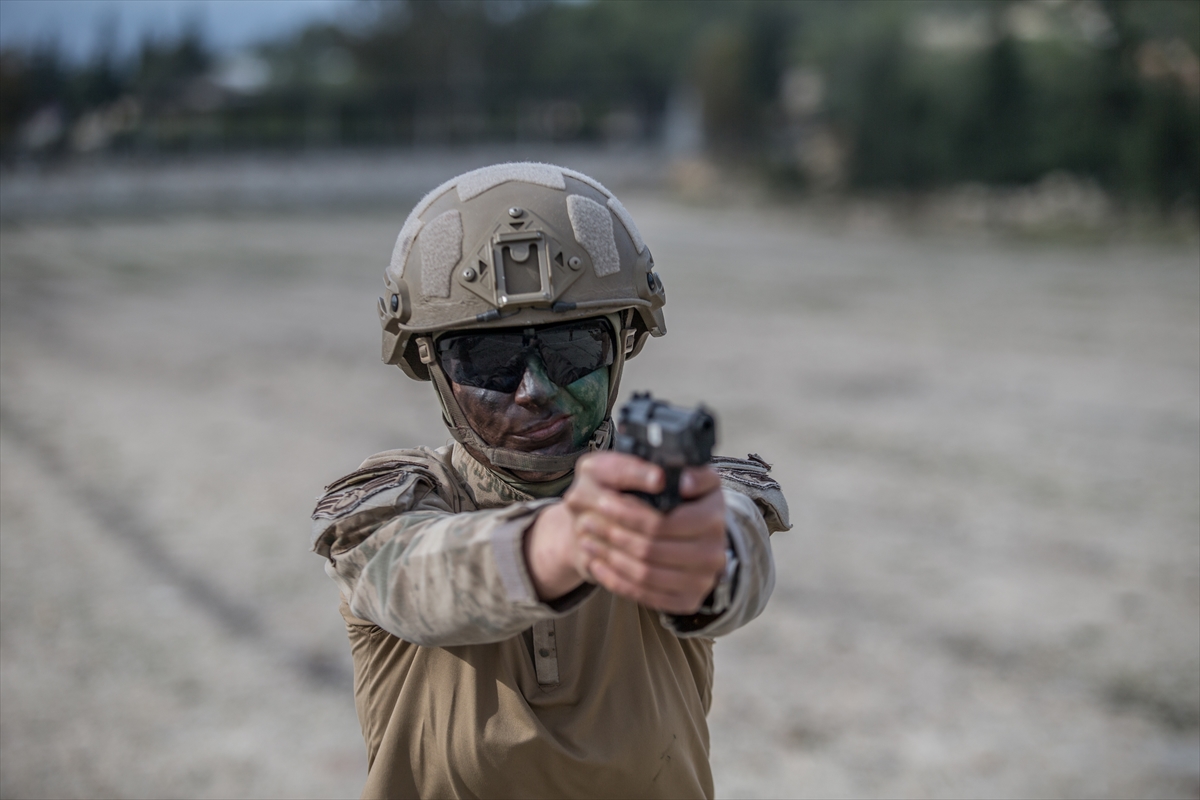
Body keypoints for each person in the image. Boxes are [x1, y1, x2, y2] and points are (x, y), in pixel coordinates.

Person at [311, 162, 790, 799]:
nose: (535, 389)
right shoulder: (393, 502)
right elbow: (409, 576)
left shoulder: (680, 490)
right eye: (490, 358)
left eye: (570, 351)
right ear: (431, 364)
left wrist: (705, 555)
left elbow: (738, 547)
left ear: (622, 344)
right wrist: (561, 544)